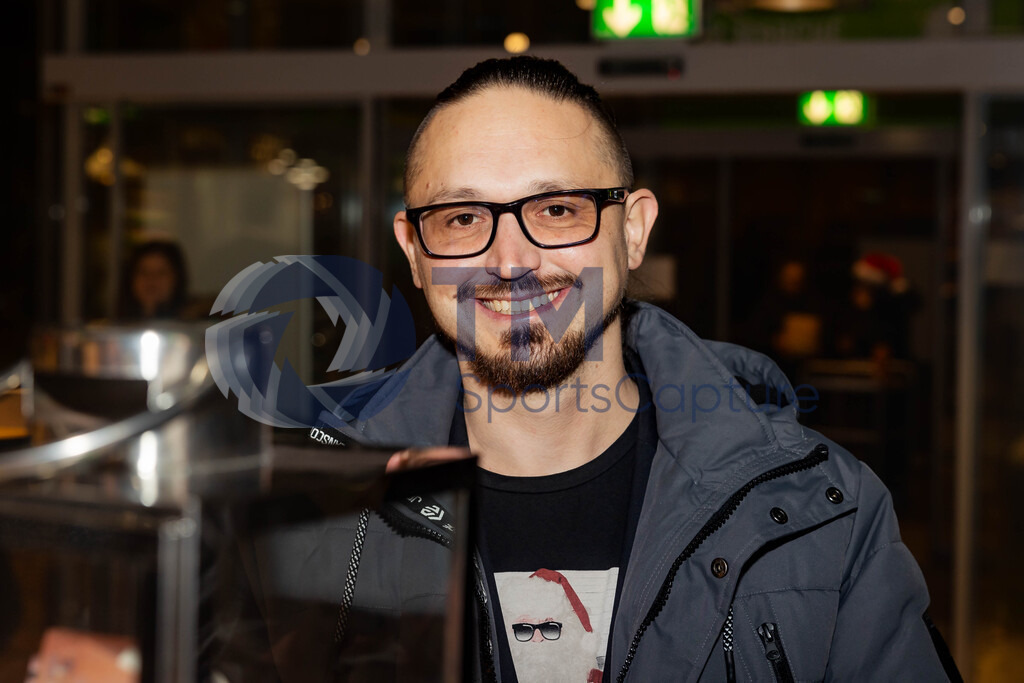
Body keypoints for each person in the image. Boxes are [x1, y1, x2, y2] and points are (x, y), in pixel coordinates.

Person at [213, 57, 960, 682]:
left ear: (632, 229)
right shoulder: (301, 511)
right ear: (414, 249)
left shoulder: (820, 512)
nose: (510, 261)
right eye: (464, 218)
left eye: (559, 209)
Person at [118, 240, 190, 320]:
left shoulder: (194, 326)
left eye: (161, 272)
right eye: (144, 272)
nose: (151, 279)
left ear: (176, 278)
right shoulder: (112, 327)